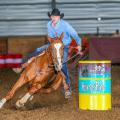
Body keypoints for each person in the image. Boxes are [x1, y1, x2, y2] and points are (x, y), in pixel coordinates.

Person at [13, 8, 82, 98]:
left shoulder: (66, 25)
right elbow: (51, 37)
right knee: (37, 50)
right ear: (51, 17)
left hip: (63, 47)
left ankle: (67, 88)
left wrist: (79, 44)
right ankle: (22, 66)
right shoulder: (49, 25)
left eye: (56, 16)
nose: (54, 18)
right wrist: (53, 44)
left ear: (59, 17)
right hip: (53, 45)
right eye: (52, 16)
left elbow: (75, 34)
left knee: (63, 64)